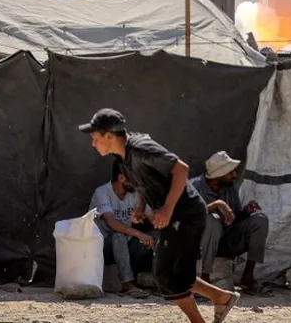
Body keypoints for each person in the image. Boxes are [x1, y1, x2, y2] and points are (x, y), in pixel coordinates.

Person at [80, 108, 239, 323]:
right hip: (176, 218)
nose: (93, 143)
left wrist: (166, 208)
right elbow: (145, 184)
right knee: (172, 273)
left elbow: (181, 169)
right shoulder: (125, 159)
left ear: (108, 135)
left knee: (167, 275)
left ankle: (212, 307)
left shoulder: (141, 147)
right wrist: (139, 206)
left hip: (186, 215)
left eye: (94, 137)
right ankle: (221, 297)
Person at [191, 151, 269, 294]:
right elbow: (186, 216)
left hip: (225, 241)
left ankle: (247, 277)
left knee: (260, 220)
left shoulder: (230, 187)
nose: (234, 175)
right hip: (198, 245)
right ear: (219, 175)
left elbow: (234, 219)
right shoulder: (194, 187)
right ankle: (205, 279)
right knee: (212, 219)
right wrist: (215, 205)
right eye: (230, 172)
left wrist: (245, 212)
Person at [89, 157, 155, 299]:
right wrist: (139, 234)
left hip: (127, 245)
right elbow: (111, 222)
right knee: (118, 235)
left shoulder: (136, 193)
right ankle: (127, 284)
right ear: (121, 177)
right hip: (104, 247)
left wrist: (150, 218)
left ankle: (163, 281)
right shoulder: (102, 192)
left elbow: (152, 217)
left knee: (158, 235)